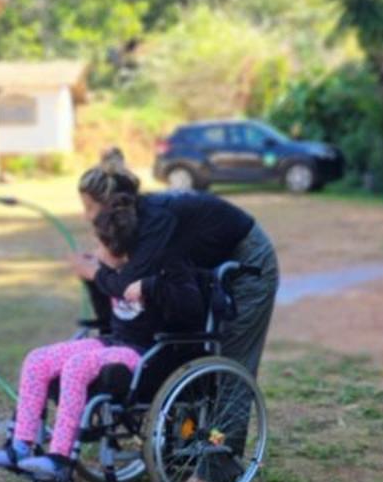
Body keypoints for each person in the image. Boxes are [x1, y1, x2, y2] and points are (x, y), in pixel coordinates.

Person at [0, 199, 207, 482]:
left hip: (147, 353)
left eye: (101, 246)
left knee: (78, 365)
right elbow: (106, 317)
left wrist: (149, 287)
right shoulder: (113, 271)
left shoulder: (165, 264)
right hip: (114, 341)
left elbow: (191, 307)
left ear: (121, 248)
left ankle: (60, 459)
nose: (97, 252)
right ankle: (20, 445)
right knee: (38, 359)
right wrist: (92, 279)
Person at [74, 163, 279, 389]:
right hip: (207, 258)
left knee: (231, 354)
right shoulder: (134, 223)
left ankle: (225, 425)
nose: (85, 217)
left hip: (247, 256)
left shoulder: (156, 221)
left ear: (110, 205)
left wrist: (95, 273)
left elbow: (128, 286)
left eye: (89, 207)